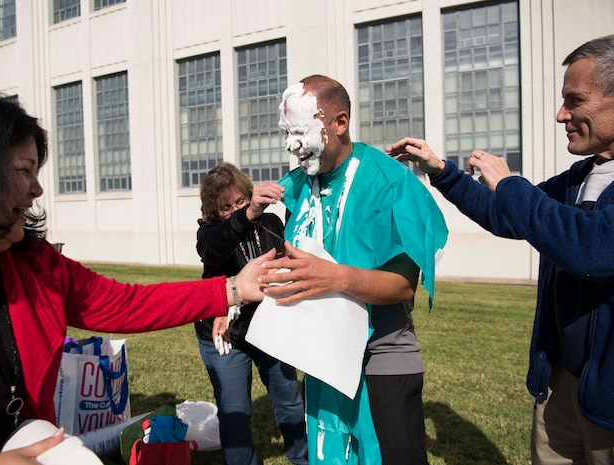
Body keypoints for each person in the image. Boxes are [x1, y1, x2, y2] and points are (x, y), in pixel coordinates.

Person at [0, 90, 273, 465]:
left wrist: (233, 288)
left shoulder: (36, 268)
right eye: (24, 171)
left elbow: (127, 305)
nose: (37, 189)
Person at [387, 33, 614, 465]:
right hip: (561, 384)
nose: (560, 114)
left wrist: (511, 184)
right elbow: (506, 216)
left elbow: (589, 248)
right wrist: (441, 171)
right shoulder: (579, 177)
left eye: (575, 100)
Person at [258, 75, 448, 465]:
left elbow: (403, 285)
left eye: (300, 131)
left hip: (382, 356)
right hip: (322, 357)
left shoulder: (389, 181)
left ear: (339, 123)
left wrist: (334, 276)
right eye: (286, 133)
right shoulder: (295, 186)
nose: (292, 145)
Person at [194, 161, 308, 465]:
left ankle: (304, 459)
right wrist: (247, 214)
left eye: (240, 201)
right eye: (225, 207)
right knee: (234, 415)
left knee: (290, 403)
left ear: (250, 194)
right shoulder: (208, 233)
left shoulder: (270, 223)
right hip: (224, 334)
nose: (234, 209)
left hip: (269, 327)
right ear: (213, 211)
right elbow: (213, 248)